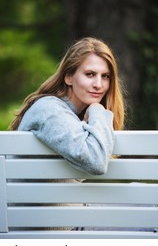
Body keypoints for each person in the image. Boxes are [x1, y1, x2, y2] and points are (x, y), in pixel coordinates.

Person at [10, 37, 125, 175]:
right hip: (32, 197)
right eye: (90, 74)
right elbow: (97, 162)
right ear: (68, 77)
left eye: (105, 76)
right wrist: (97, 110)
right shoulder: (50, 110)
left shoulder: (70, 116)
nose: (98, 85)